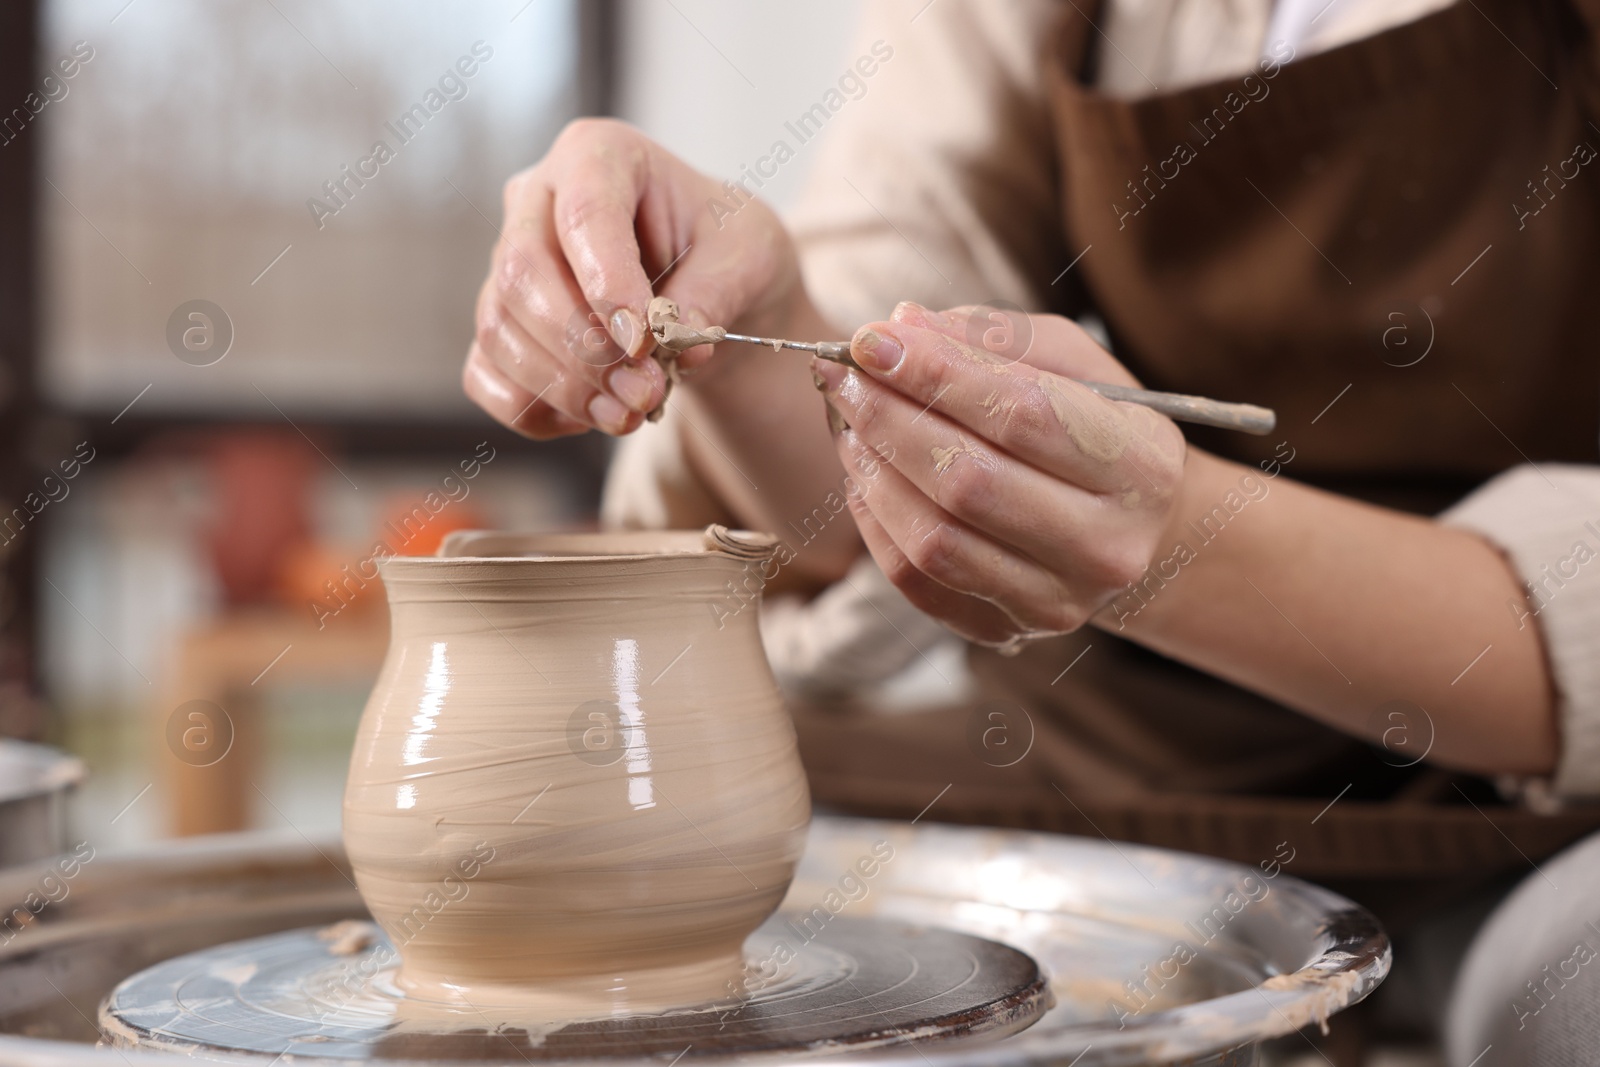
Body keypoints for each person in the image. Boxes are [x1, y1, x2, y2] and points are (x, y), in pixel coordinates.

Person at [462, 1, 1600, 1054]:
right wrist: (751, 331)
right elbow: (861, 454)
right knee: (560, 834)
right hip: (1125, 757)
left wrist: (1172, 542)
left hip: (1519, 823)